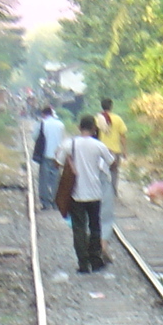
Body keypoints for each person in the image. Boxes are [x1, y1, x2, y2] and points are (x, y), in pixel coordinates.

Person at [56, 115, 115, 274]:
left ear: (79, 127)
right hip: (95, 194)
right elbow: (111, 162)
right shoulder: (99, 146)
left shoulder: (70, 144)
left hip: (76, 194)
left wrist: (69, 159)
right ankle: (95, 260)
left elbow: (58, 163)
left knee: (79, 229)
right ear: (94, 129)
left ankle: (83, 263)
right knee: (95, 227)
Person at [34, 105, 64, 210]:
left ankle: (46, 203)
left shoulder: (42, 123)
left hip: (45, 154)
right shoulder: (61, 124)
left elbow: (35, 137)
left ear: (43, 114)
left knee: (44, 180)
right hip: (57, 156)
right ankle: (55, 202)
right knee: (56, 179)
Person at [96, 97, 128, 196]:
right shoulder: (118, 119)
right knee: (114, 171)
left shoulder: (97, 119)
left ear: (102, 106)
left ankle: (101, 191)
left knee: (100, 171)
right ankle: (113, 192)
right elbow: (122, 136)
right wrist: (124, 150)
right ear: (111, 106)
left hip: (101, 150)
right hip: (115, 150)